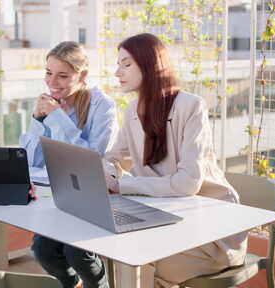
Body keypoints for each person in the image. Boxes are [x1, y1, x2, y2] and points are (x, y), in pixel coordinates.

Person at [104, 33, 247, 288]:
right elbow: (114, 158)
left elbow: (187, 183)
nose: (117, 72)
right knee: (115, 254)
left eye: (126, 64)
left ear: (150, 65)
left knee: (136, 260)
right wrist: (104, 174)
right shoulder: (132, 111)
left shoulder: (191, 106)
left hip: (212, 234)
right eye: (118, 64)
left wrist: (122, 185)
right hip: (168, 224)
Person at [20, 41, 117, 288]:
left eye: (63, 75)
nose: (53, 82)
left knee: (76, 252)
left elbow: (89, 161)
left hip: (94, 194)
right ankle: (71, 284)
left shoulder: (102, 106)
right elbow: (33, 160)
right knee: (43, 249)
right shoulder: (50, 103)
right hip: (59, 195)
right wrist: (38, 120)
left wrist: (56, 118)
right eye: (49, 73)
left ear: (82, 75)